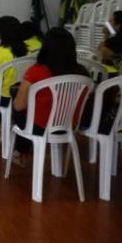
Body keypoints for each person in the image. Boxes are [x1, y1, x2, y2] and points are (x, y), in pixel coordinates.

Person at [12, 28, 89, 158]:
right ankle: (21, 150)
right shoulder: (83, 73)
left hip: (39, 128)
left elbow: (19, 106)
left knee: (16, 102)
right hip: (69, 126)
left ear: (45, 47)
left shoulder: (36, 71)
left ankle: (21, 150)